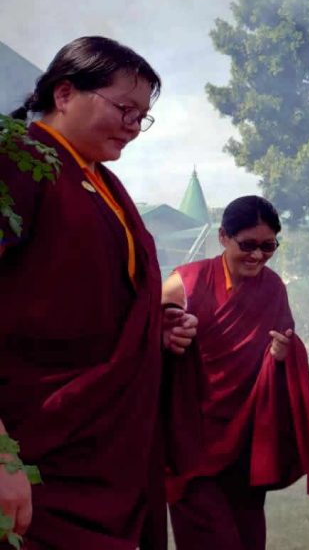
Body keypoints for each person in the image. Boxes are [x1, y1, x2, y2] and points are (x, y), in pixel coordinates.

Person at [0, 35, 197, 549]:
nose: (134, 127)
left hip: (108, 455)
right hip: (38, 450)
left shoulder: (103, 183)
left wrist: (151, 326)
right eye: (124, 109)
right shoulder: (20, 160)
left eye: (143, 117)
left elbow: (80, 300)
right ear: (64, 94)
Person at [162, 195, 309, 550]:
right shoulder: (186, 283)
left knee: (250, 540)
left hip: (245, 444)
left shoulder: (273, 287)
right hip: (192, 444)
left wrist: (283, 354)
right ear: (223, 237)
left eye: (268, 246)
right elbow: (141, 333)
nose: (257, 255)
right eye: (247, 244)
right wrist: (166, 333)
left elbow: (282, 347)